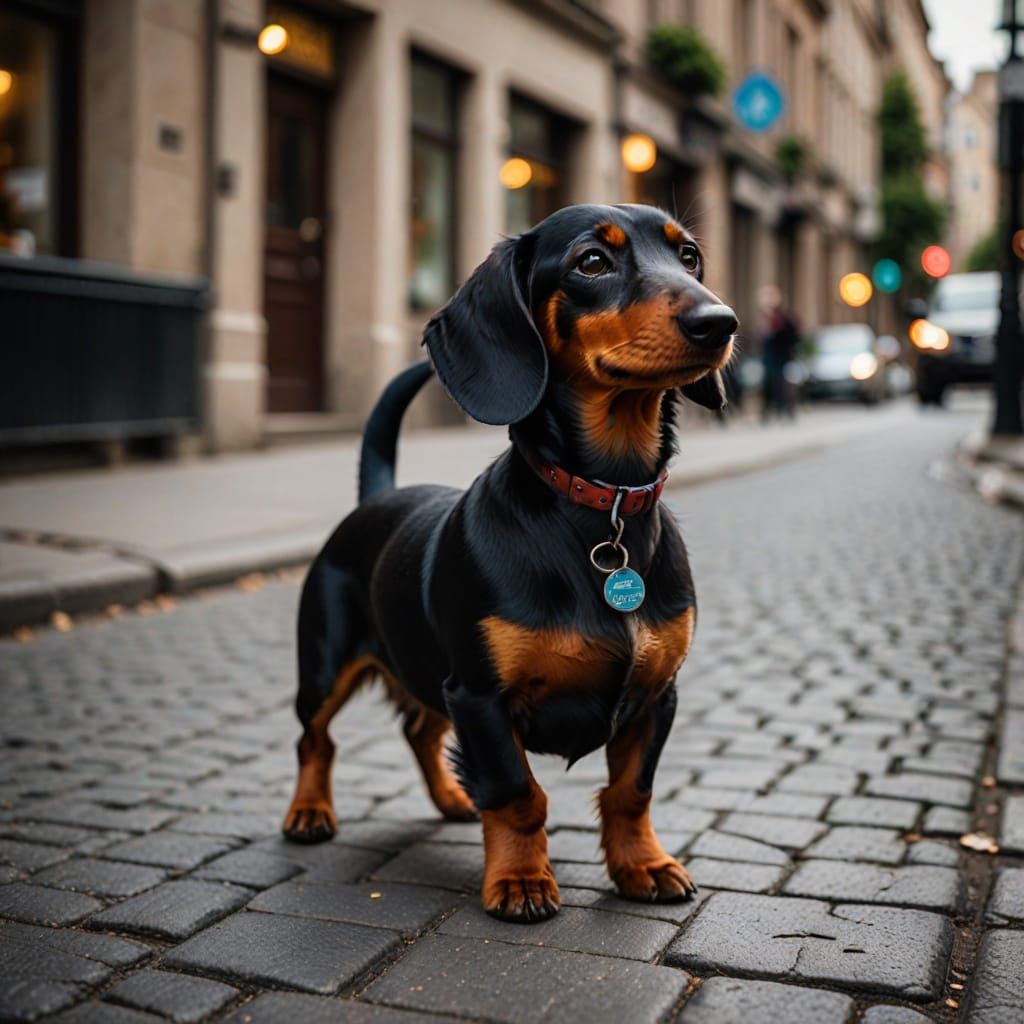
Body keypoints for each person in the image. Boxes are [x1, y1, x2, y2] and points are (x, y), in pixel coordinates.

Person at [759, 284, 799, 421]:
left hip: (782, 357)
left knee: (782, 384)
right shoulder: (765, 318)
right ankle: (767, 410)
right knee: (768, 383)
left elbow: (794, 337)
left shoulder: (784, 318)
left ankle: (785, 409)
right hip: (769, 357)